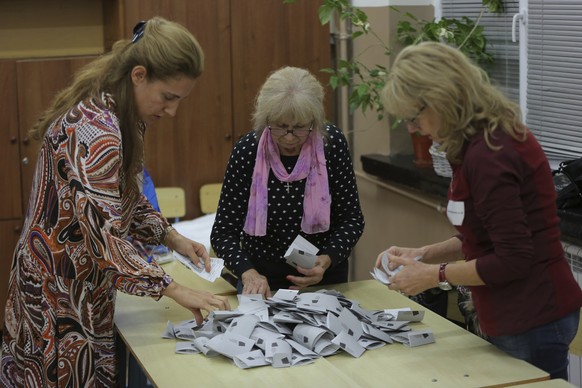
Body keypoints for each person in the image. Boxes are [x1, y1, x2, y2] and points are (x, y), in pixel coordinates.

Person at [0, 17, 231, 387]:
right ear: (138, 75)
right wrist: (177, 290)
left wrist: (173, 238)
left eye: (179, 100)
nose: (172, 111)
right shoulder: (97, 131)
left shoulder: (126, 117)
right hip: (57, 297)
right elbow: (105, 240)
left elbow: (124, 200)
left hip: (83, 288)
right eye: (168, 98)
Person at [376, 41, 582, 380]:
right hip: (515, 311)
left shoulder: (490, 155)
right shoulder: (473, 144)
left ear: (441, 99)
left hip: (532, 314)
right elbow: (483, 233)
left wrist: (434, 274)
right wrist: (424, 253)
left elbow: (512, 258)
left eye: (413, 118)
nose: (412, 129)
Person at [211, 66, 364, 298]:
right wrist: (247, 272)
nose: (290, 138)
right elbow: (223, 232)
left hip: (324, 279)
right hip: (262, 282)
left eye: (300, 128)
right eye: (281, 127)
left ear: (314, 121)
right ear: (266, 120)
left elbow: (352, 219)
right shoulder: (248, 152)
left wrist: (325, 261)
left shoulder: (331, 145)